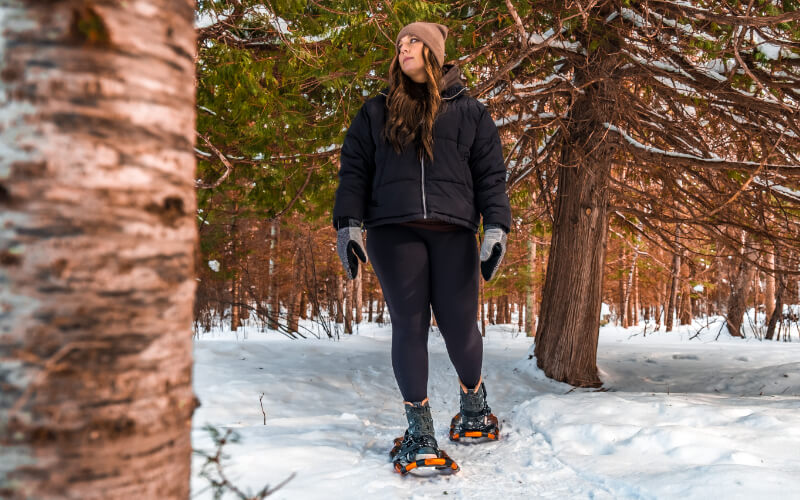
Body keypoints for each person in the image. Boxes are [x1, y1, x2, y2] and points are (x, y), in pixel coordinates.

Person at [332, 21, 512, 475]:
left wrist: (496, 228)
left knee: (459, 327)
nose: (403, 48)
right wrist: (348, 225)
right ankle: (420, 430)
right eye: (400, 44)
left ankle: (474, 404)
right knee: (409, 326)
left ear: (432, 52)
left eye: (413, 41)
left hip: (454, 232)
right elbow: (354, 170)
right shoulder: (376, 112)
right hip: (394, 231)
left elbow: (491, 176)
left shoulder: (471, 112)